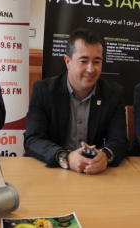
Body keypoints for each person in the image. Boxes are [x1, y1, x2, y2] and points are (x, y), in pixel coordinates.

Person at [24, 28, 128, 174]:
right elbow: (32, 139)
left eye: (96, 61)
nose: (91, 69)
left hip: (93, 173)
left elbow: (120, 141)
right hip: (52, 171)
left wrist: (105, 156)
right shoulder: (44, 91)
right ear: (68, 61)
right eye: (83, 61)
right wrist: (66, 157)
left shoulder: (113, 93)